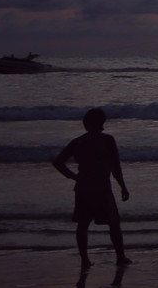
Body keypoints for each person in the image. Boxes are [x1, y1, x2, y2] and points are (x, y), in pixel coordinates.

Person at [53, 108, 130, 266]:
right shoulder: (108, 140)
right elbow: (115, 167)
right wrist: (122, 186)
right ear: (101, 123)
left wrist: (73, 176)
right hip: (102, 187)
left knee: (83, 224)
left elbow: (58, 162)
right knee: (113, 223)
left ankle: (85, 259)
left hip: (83, 187)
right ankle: (120, 257)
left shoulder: (78, 142)